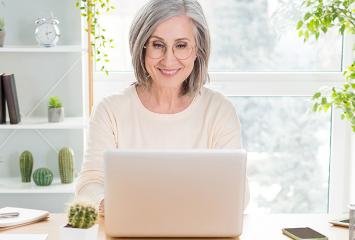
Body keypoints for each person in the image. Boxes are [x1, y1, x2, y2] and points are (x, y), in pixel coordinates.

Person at [75, 0, 249, 213]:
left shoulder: (219, 110)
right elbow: (90, 183)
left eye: (181, 45)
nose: (168, 60)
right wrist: (106, 202)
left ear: (198, 50)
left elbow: (238, 193)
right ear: (142, 47)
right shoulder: (110, 111)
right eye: (158, 45)